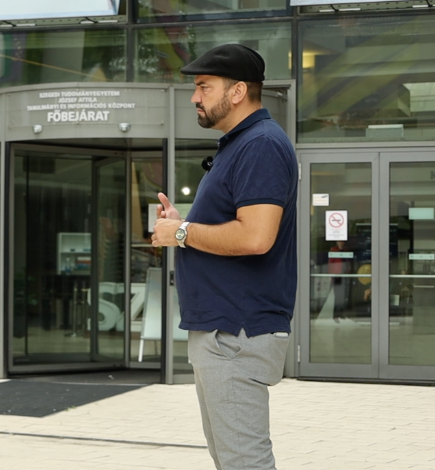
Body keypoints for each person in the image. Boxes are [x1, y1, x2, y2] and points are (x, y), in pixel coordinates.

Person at [152, 44, 298, 470]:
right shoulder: (241, 144)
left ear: (237, 92)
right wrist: (184, 226)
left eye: (204, 87)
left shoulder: (261, 145)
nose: (194, 97)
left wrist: (181, 233)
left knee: (244, 462)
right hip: (224, 331)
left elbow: (256, 236)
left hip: (235, 332)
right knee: (231, 459)